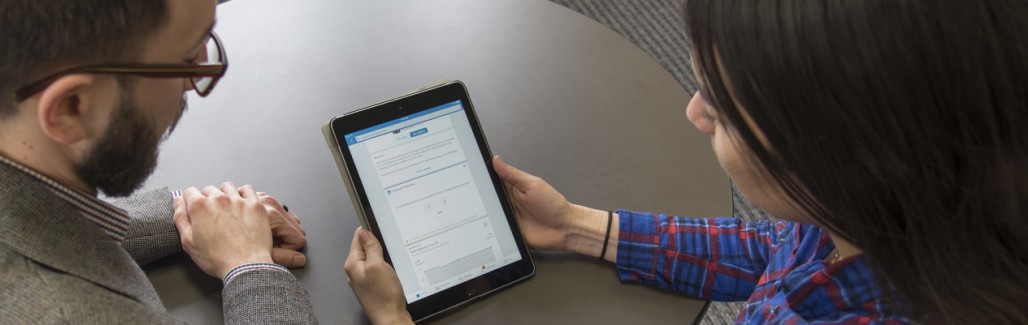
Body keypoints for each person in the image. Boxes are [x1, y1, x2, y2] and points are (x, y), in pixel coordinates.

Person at [345, 0, 1028, 323]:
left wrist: (393, 320)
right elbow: (780, 251)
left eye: (726, 109)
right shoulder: (908, 214)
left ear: (850, 154)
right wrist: (579, 227)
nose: (694, 113)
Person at [0, 0, 318, 323]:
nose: (196, 77)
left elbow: (10, 209)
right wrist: (250, 270)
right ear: (71, 107)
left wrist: (190, 212)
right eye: (186, 58)